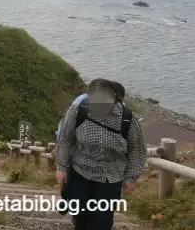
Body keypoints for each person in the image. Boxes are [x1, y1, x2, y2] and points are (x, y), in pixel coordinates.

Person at [56, 79, 145, 230]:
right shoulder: (79, 109)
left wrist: (131, 177)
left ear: (115, 100)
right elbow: (65, 137)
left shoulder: (126, 118)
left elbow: (137, 148)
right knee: (80, 213)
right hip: (80, 169)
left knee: (102, 218)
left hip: (111, 174)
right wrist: (62, 168)